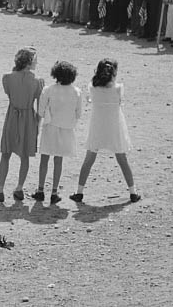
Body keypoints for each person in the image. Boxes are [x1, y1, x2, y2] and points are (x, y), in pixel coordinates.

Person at [70, 58, 140, 204]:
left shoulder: (92, 87)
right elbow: (119, 101)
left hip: (97, 126)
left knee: (89, 159)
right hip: (115, 126)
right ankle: (133, 192)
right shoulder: (119, 88)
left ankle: (79, 192)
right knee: (122, 159)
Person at [0, 47, 43, 202]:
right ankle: (19, 188)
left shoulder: (7, 77)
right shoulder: (37, 81)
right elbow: (39, 108)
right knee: (25, 156)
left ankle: (0, 189)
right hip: (28, 118)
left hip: (12, 116)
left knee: (5, 153)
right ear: (30, 62)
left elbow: (9, 93)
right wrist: (37, 124)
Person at [33, 61, 82, 204]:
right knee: (58, 160)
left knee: (44, 159)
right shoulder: (76, 92)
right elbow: (78, 113)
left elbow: (41, 111)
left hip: (50, 126)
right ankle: (54, 192)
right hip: (66, 128)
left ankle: (40, 190)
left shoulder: (48, 90)